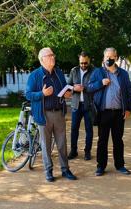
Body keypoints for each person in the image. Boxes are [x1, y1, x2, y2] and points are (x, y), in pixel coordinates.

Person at [26, 47, 77, 182]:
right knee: (46, 144)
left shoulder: (58, 72)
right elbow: (28, 94)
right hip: (44, 115)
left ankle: (65, 170)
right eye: (50, 56)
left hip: (59, 113)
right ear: (42, 59)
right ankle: (48, 171)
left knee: (62, 144)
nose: (53, 57)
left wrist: (67, 93)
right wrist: (42, 94)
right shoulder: (35, 75)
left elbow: (64, 89)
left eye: (53, 55)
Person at [87, 47, 131, 176]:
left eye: (111, 57)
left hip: (119, 112)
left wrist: (128, 109)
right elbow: (89, 88)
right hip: (103, 112)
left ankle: (120, 165)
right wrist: (100, 83)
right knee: (102, 140)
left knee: (118, 140)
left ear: (116, 58)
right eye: (106, 57)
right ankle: (101, 166)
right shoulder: (98, 72)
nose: (109, 59)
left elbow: (129, 92)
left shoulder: (123, 74)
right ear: (103, 59)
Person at [67, 51, 95, 161]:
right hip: (76, 105)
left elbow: (97, 86)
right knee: (74, 129)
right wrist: (74, 88)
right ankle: (73, 151)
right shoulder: (74, 70)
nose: (83, 65)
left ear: (89, 60)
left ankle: (87, 152)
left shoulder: (95, 71)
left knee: (89, 130)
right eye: (81, 63)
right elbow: (68, 86)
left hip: (89, 105)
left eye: (85, 63)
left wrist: (87, 88)